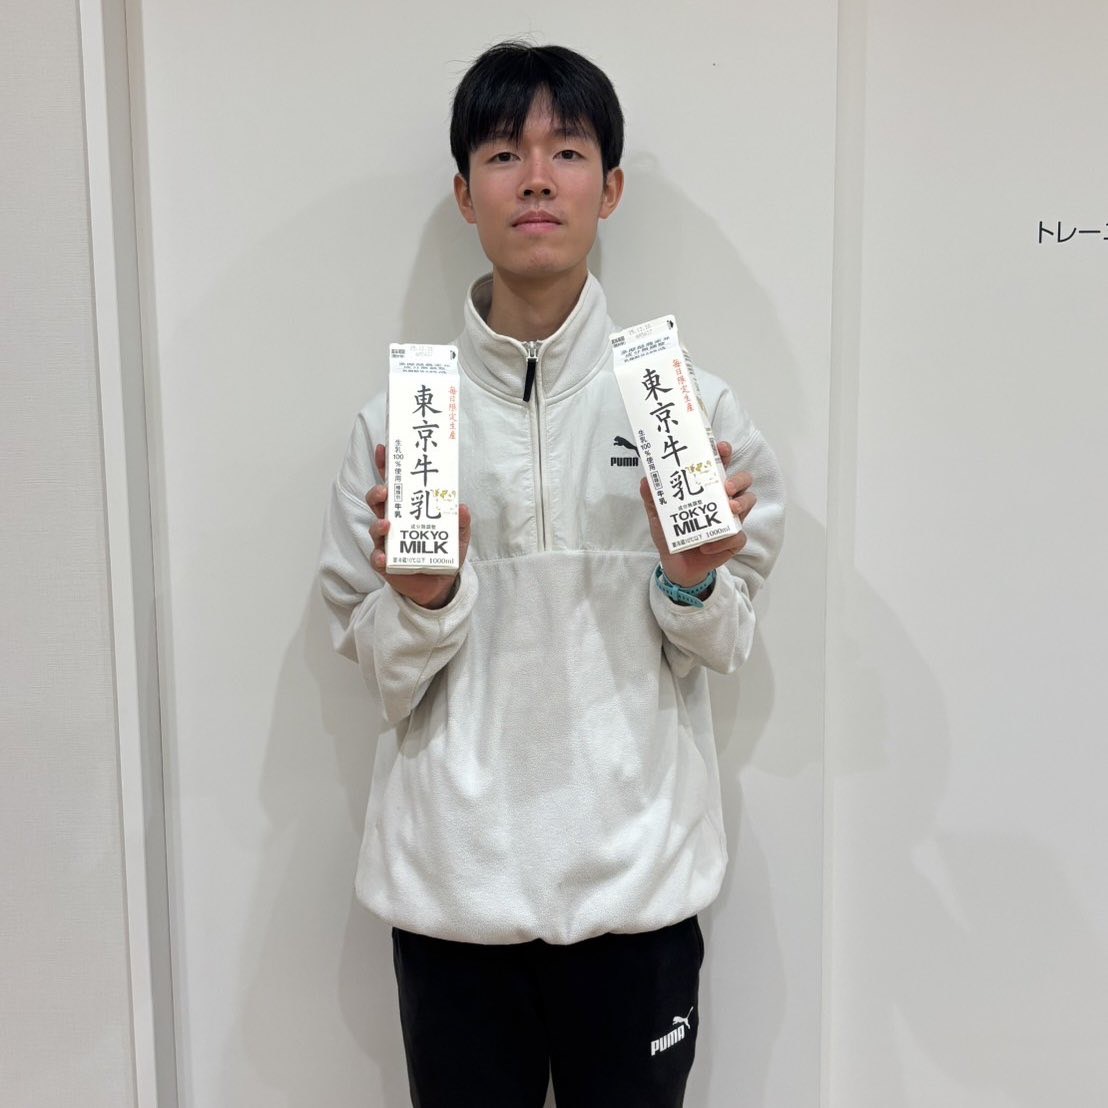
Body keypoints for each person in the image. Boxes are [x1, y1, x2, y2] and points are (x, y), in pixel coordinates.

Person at [319, 41, 785, 1108]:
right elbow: (379, 675)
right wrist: (423, 604)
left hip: (638, 903)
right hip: (452, 908)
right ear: (464, 194)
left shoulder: (689, 410)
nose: (535, 179)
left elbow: (728, 644)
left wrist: (690, 584)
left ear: (608, 189)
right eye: (502, 154)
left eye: (567, 152)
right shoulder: (400, 426)